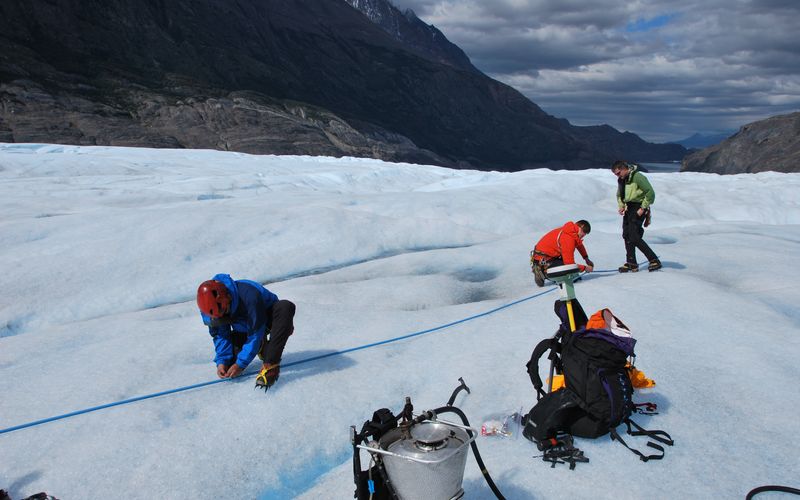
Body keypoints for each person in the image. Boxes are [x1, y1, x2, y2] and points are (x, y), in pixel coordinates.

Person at [196, 273, 296, 391]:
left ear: (227, 297)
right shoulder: (209, 309)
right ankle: (261, 346)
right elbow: (221, 335)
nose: (224, 315)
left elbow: (255, 334)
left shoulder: (249, 295)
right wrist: (222, 361)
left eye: (225, 311)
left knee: (285, 307)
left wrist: (241, 364)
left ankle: (270, 365)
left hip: (266, 321)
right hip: (244, 330)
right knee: (229, 366)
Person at [611, 161, 662, 272]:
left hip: (638, 207)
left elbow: (650, 193)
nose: (617, 176)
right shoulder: (622, 179)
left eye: (618, 173)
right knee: (626, 235)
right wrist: (621, 205)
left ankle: (654, 260)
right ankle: (631, 262)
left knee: (634, 236)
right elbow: (619, 194)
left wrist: (643, 208)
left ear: (624, 169)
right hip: (629, 207)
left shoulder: (637, 177)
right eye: (616, 174)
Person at [530, 220, 594, 287]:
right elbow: (569, 264)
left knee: (573, 273)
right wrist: (585, 268)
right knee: (571, 272)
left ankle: (544, 269)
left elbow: (579, 245)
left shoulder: (570, 231)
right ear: (581, 227)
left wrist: (586, 258)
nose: (584, 235)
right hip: (544, 260)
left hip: (545, 257)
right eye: (584, 232)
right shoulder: (568, 238)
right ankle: (543, 271)